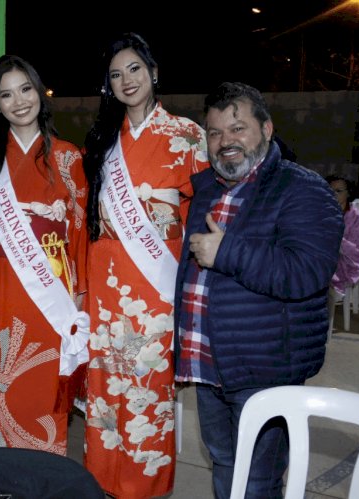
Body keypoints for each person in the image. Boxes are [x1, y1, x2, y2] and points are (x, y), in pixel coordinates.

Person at [174, 82, 344, 498]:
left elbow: (308, 272)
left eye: (238, 129)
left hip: (264, 368)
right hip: (209, 367)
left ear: (266, 129)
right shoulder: (207, 190)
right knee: (225, 463)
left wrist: (227, 251)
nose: (225, 142)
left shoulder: (303, 189)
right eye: (215, 133)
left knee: (258, 479)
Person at [81, 32, 210, 498]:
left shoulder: (187, 136)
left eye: (134, 69)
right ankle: (103, 480)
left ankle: (146, 488)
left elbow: (204, 216)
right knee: (105, 391)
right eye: (116, 74)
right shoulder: (104, 142)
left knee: (147, 394)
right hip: (105, 287)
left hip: (154, 290)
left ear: (154, 73)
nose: (126, 80)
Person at [0, 54, 90, 455]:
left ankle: (40, 476)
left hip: (50, 295)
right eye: (6, 95)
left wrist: (81, 291)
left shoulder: (67, 157)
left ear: (40, 92)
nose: (19, 101)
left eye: (25, 89)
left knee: (41, 390)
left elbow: (78, 231)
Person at [325, 175, 359, 298]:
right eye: (330, 190)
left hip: (343, 266)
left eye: (338, 191)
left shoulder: (358, 218)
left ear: (348, 194)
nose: (333, 194)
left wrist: (337, 239)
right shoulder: (321, 212)